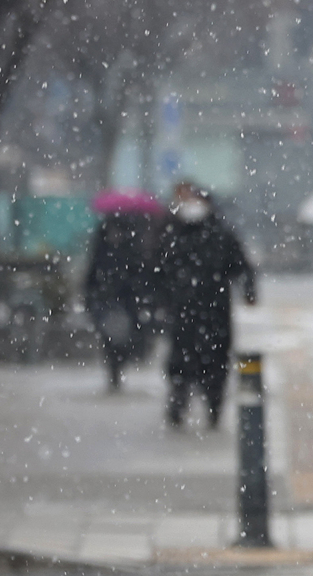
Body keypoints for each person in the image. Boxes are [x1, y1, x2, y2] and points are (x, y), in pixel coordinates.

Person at [155, 182, 256, 428]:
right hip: (182, 312)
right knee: (180, 363)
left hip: (215, 311)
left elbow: (241, 266)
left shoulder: (221, 233)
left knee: (216, 362)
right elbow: (158, 270)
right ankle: (178, 406)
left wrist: (249, 292)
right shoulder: (172, 232)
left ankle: (214, 406)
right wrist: (160, 299)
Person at [85, 213, 154, 390]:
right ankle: (113, 371)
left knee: (122, 340)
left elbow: (139, 277)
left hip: (124, 302)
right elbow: (91, 277)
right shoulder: (101, 251)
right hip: (106, 302)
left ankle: (118, 367)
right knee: (109, 341)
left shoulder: (130, 252)